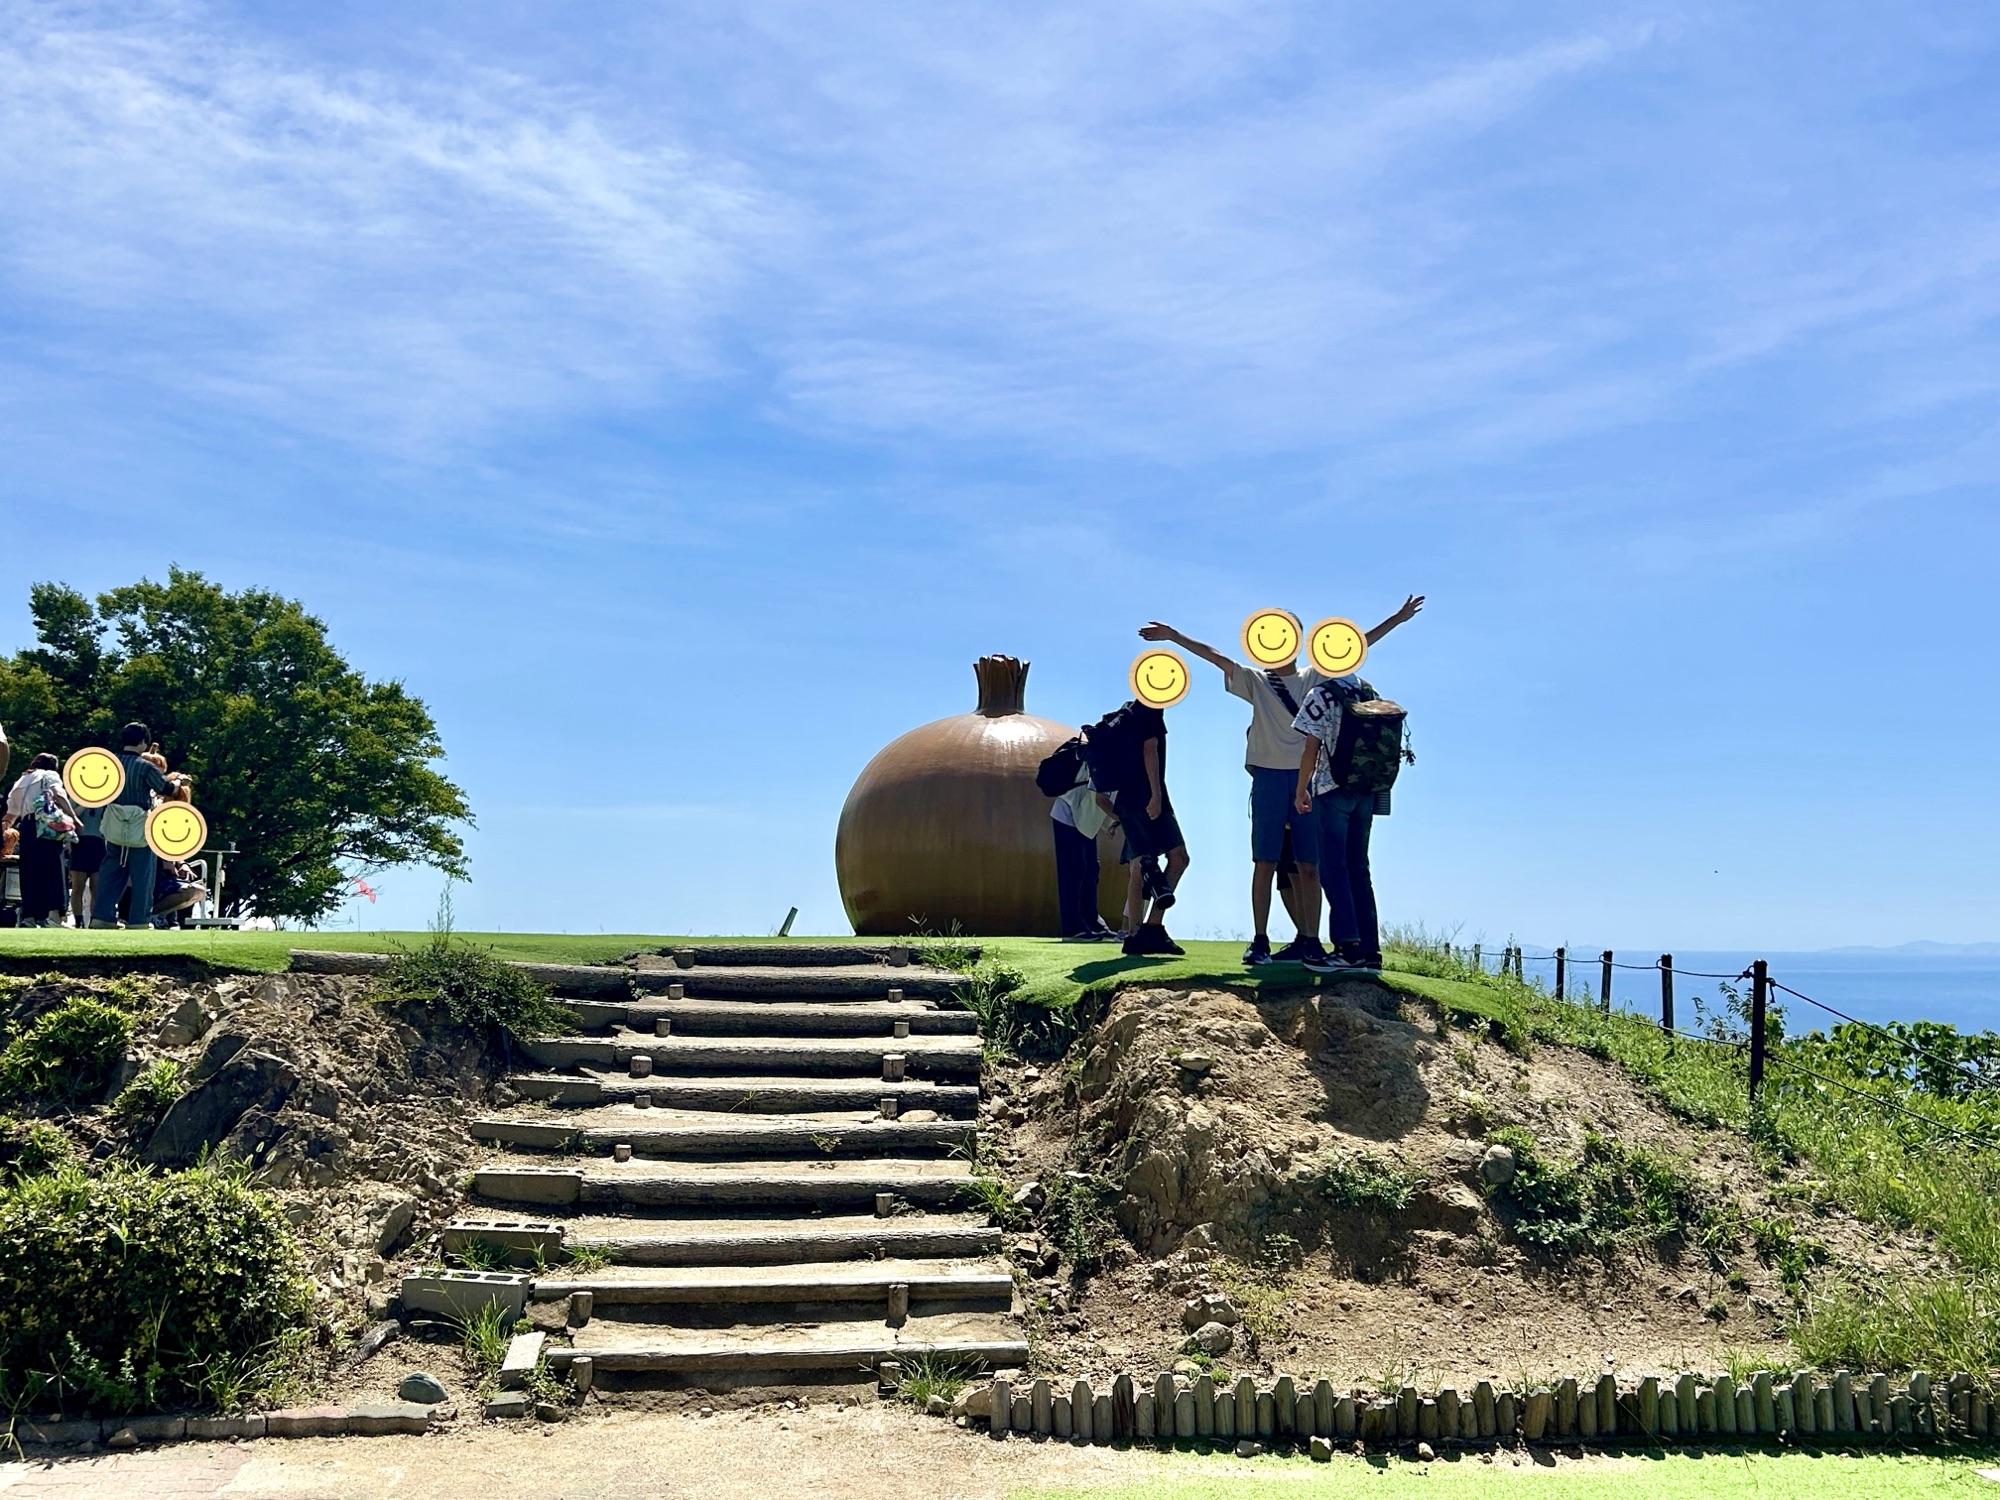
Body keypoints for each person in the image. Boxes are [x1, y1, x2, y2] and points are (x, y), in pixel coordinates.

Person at [1139, 595, 1421, 965]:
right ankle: (1260, 939)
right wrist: (1175, 637)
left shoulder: (1314, 676)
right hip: (1270, 777)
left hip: (1311, 781)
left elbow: (1356, 644)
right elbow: (1216, 657)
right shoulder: (1256, 680)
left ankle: (1310, 940)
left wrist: (1395, 620)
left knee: (1309, 865)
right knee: (1265, 861)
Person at [1292, 675, 1401, 973]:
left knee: (1333, 868)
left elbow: (1310, 749)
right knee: (1358, 868)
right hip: (1366, 790)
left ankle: (1347, 947)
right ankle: (1369, 951)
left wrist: (1301, 789)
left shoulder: (1320, 694)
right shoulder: (1370, 690)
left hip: (1331, 787)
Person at [91, 722, 172, 930]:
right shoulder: (146, 766)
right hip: (140, 827)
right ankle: (139, 920)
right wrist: (180, 782)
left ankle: (102, 916)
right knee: (143, 875)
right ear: (143, 741)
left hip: (113, 826)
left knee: (110, 873)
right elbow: (165, 788)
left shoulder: (111, 763)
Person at [6, 752, 79, 927]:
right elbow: (58, 795)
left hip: (27, 826)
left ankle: (30, 916)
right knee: (53, 869)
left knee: (30, 871)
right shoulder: (50, 775)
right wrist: (74, 816)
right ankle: (53, 915)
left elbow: (12, 812)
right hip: (46, 825)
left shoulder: (21, 781)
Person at [1050, 762, 1119, 941]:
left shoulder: (1123, 762)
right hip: (1070, 812)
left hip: (1086, 819)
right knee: (1073, 869)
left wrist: (1111, 824)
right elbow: (1100, 799)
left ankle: (1091, 921)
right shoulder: (1108, 757)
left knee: (1091, 869)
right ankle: (1073, 927)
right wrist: (1122, 820)